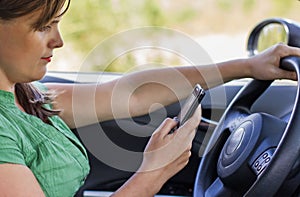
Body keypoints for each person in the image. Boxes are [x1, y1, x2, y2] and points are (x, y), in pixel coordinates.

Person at [0, 0, 299, 197]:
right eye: (43, 27)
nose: (59, 40)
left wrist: (246, 67)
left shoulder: (25, 95)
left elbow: (130, 95)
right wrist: (154, 171)